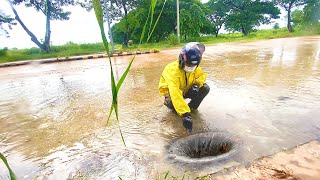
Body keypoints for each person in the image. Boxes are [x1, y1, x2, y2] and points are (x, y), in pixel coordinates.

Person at [158, 42, 210, 133]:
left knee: (205, 88)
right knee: (172, 103)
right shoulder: (172, 71)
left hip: (186, 89)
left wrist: (196, 85)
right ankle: (181, 111)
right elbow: (175, 93)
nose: (191, 67)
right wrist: (185, 114)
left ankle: (192, 108)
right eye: (189, 65)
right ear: (182, 60)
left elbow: (202, 76)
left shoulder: (195, 67)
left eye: (193, 65)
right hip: (172, 93)